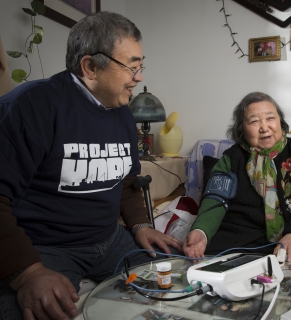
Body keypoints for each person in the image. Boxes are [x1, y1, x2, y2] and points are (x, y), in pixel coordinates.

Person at [0, 11, 183, 320]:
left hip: (109, 239)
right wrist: (28, 274)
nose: (138, 78)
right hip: (45, 247)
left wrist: (140, 225)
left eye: (140, 67)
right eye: (131, 67)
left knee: (179, 276)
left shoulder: (121, 110)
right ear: (90, 67)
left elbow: (126, 180)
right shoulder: (31, 107)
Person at [182, 92, 291, 263]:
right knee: (206, 259)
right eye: (254, 121)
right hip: (240, 238)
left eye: (270, 118)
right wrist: (201, 231)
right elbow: (216, 198)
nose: (264, 127)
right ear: (242, 129)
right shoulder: (231, 158)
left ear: (280, 122)